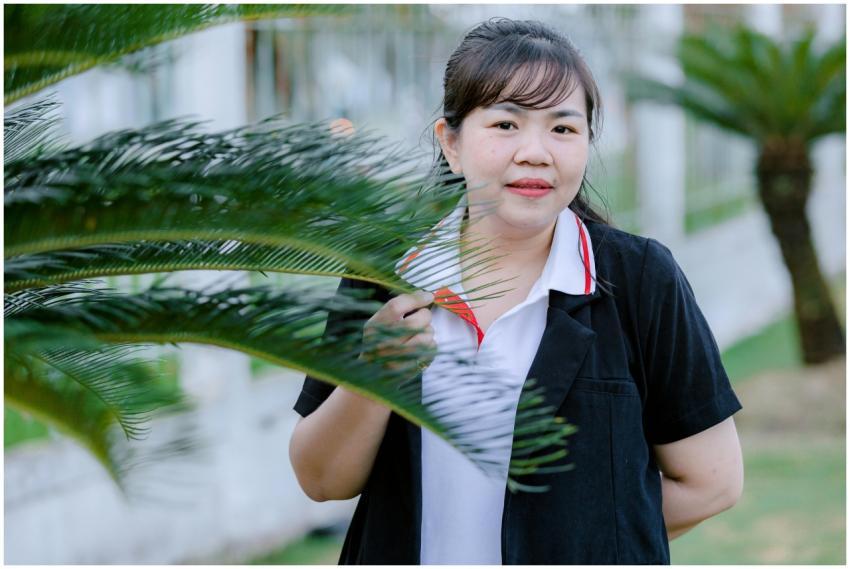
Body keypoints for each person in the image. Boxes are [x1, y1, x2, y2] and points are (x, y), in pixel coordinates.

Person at [289, 18, 744, 565]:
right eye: (506, 124)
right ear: (451, 143)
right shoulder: (386, 271)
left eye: (563, 129)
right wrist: (373, 379)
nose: (535, 152)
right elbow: (320, 480)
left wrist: (578, 542)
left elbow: (712, 481)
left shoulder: (640, 278)